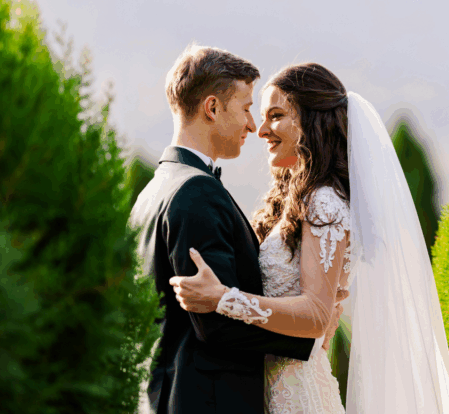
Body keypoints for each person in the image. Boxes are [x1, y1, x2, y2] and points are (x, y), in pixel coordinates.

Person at [170, 63, 449, 413]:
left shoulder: (323, 201)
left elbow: (316, 312)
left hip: (298, 395)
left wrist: (222, 299)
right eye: (261, 117)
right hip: (269, 389)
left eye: (275, 116)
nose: (261, 130)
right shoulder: (295, 201)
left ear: (310, 121)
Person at [129, 45, 329, 414]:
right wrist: (309, 337)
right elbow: (216, 325)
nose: (253, 126)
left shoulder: (154, 189)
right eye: (247, 108)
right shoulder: (196, 191)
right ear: (212, 108)